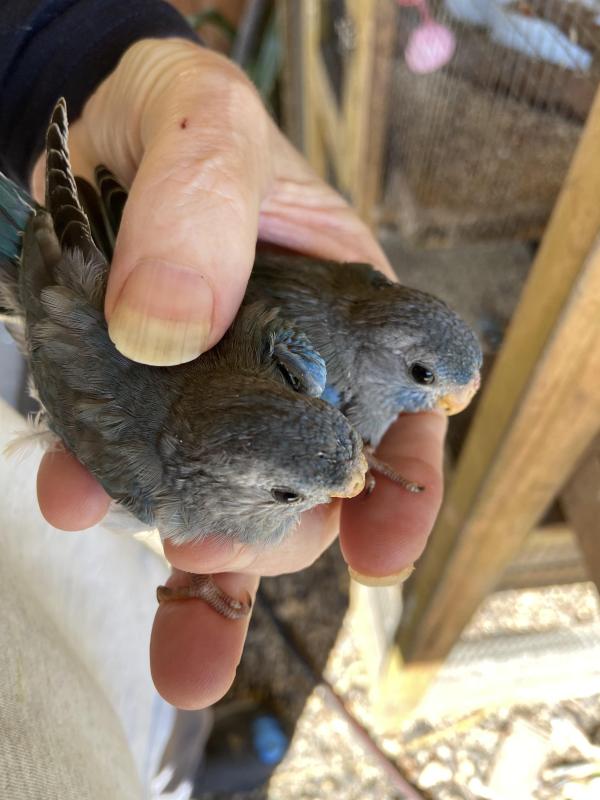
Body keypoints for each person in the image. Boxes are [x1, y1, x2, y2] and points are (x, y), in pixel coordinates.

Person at [0, 2, 446, 796]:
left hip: (68, 257)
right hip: (51, 282)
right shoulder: (148, 479)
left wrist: (69, 49)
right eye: (296, 488)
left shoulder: (274, 375)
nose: (353, 487)